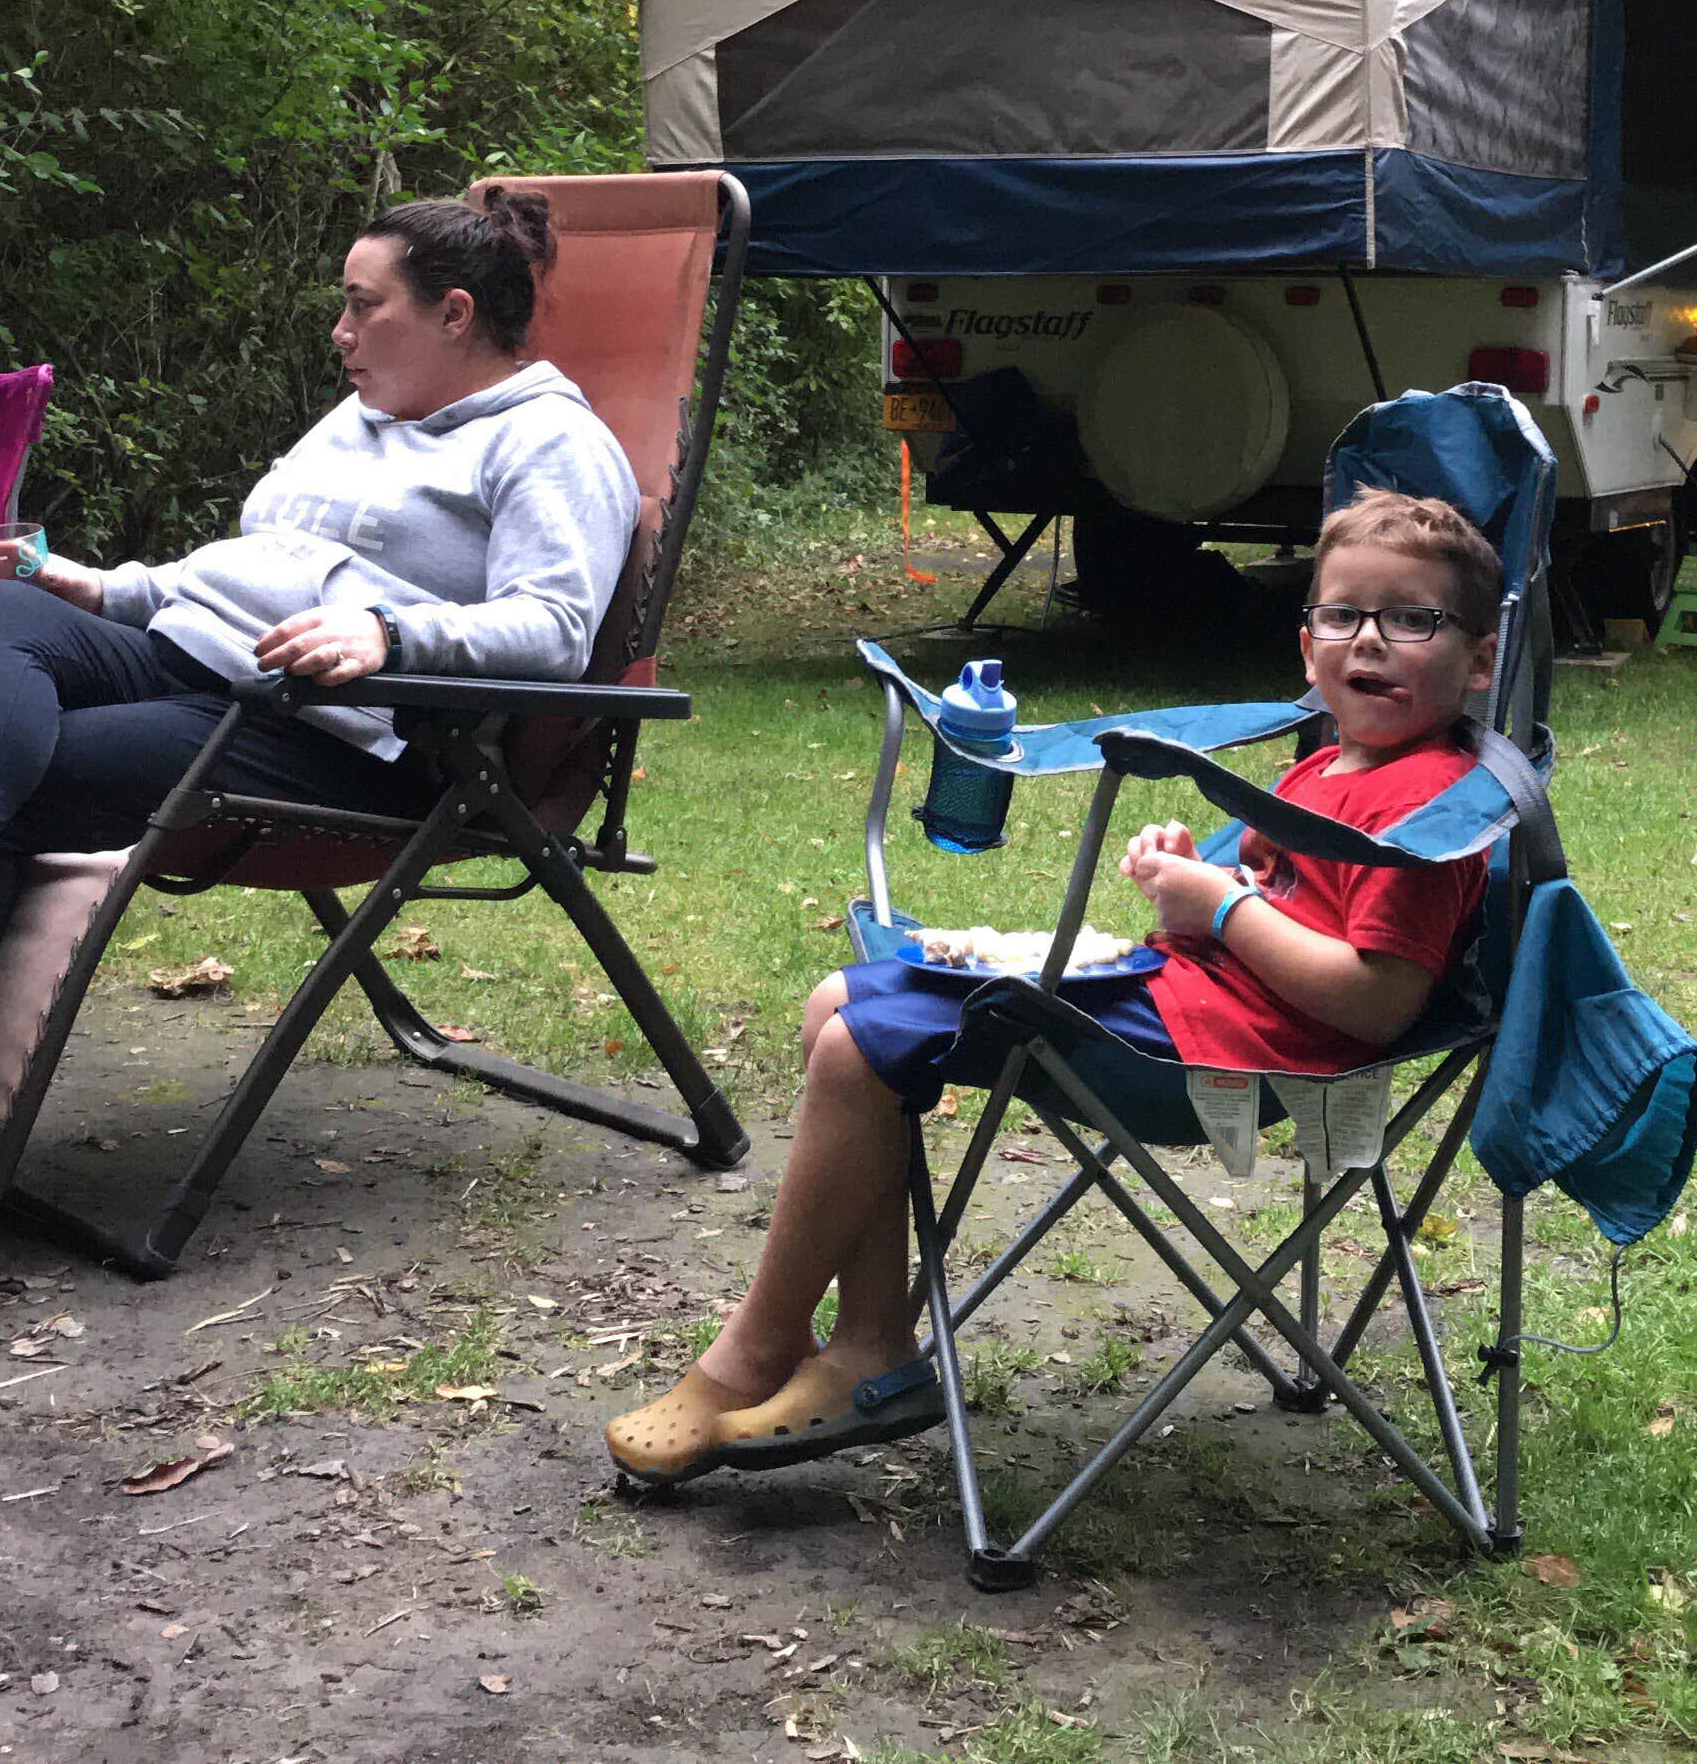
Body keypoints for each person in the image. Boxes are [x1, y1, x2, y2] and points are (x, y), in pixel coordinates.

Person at [0, 187, 636, 1272]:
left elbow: (551, 628)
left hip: (339, 732)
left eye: (362, 307)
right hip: (191, 656)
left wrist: (388, 632)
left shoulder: (551, 442)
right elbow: (242, 571)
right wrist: (88, 583)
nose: (340, 332)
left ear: (452, 314)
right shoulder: (359, 418)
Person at [601, 490, 1504, 1481]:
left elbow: (1377, 1001)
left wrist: (1223, 910)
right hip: (1180, 1002)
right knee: (837, 1004)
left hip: (1222, 1059)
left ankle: (759, 1350)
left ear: (1479, 659)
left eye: (1412, 619)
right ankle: (868, 1345)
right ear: (1306, 645)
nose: (1368, 641)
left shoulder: (1426, 805)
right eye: (1342, 614)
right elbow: (1282, 906)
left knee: (859, 1041)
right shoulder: (1325, 767)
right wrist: (1195, 888)